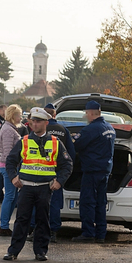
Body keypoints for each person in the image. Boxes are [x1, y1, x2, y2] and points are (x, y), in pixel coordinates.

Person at [3, 107, 72, 261]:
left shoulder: (55, 143)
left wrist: (60, 181)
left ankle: (40, 251)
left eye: (38, 121)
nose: (34, 124)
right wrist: (14, 177)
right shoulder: (24, 141)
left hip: (44, 188)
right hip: (26, 187)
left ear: (46, 123)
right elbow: (10, 161)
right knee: (22, 220)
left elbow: (67, 164)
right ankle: (13, 251)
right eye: (33, 121)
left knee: (43, 220)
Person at [72, 101, 116, 243]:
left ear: (91, 113)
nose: (86, 115)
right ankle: (101, 234)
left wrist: (73, 138)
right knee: (101, 203)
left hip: (92, 171)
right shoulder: (110, 128)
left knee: (87, 202)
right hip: (105, 171)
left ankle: (88, 233)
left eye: (86, 113)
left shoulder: (91, 129)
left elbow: (77, 145)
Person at [44, 103, 76, 243]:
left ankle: (35, 230)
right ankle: (53, 231)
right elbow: (71, 153)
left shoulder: (41, 129)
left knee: (38, 203)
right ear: (55, 115)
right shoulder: (63, 130)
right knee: (55, 203)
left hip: (40, 172)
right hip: (56, 173)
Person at [0, 104, 23, 236]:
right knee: (10, 196)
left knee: (12, 196)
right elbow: (8, 154)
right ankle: (4, 226)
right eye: (19, 115)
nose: (21, 118)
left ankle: (5, 225)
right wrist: (12, 172)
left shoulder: (10, 128)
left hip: (10, 167)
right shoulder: (8, 130)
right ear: (13, 116)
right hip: (8, 168)